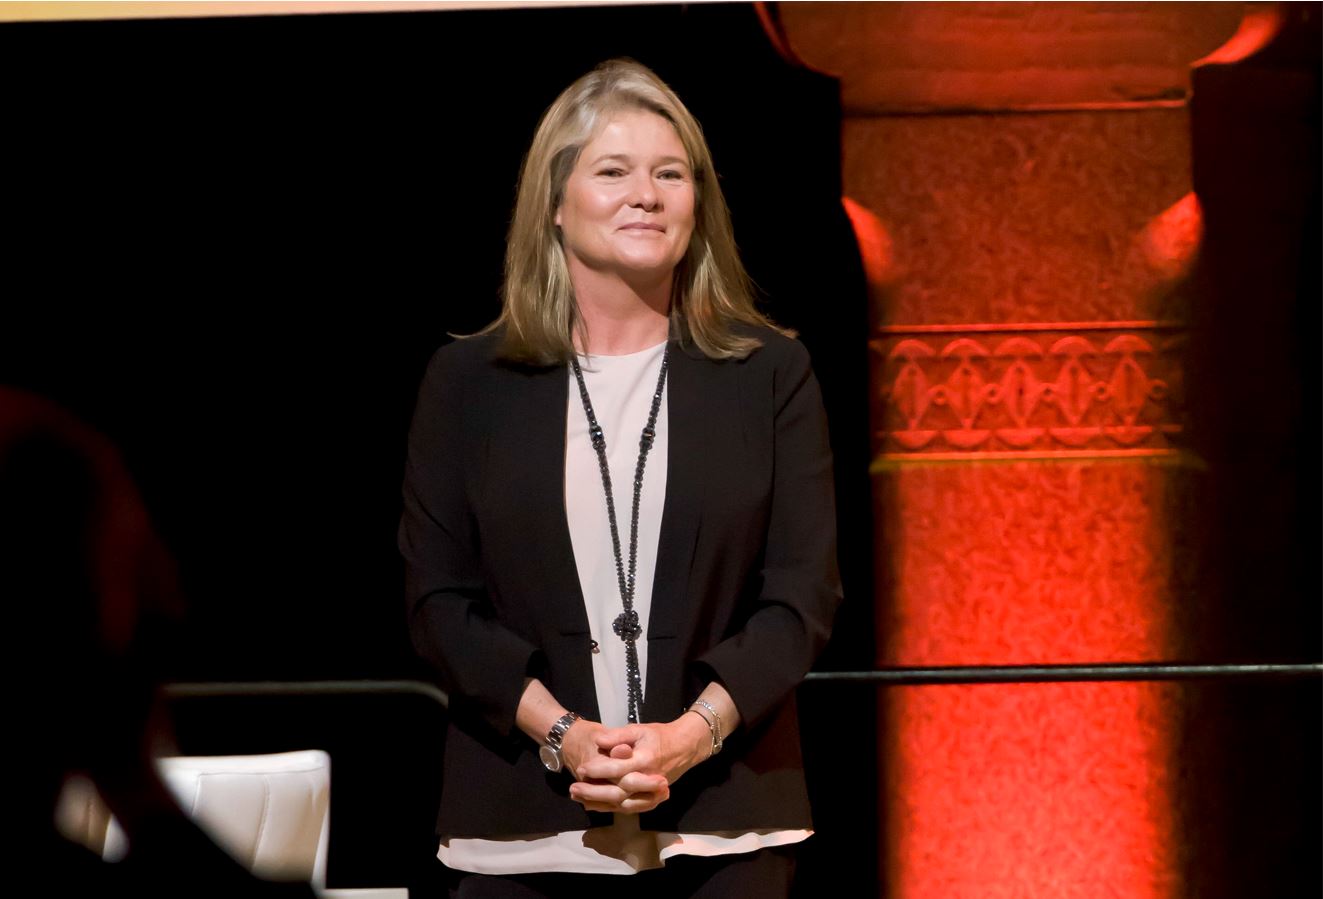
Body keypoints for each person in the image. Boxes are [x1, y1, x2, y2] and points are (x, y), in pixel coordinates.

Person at [400, 58, 841, 898]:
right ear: (555, 203)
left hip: (724, 826)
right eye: (613, 171)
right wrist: (561, 733)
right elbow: (439, 603)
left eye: (670, 174)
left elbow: (800, 597)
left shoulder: (769, 374)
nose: (646, 194)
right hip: (521, 826)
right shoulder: (467, 384)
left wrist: (690, 735)